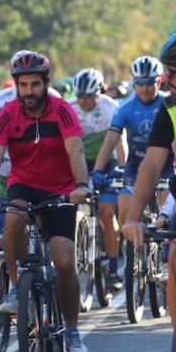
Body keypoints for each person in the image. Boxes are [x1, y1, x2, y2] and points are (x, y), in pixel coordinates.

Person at [0, 50, 90, 352]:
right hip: (24, 183)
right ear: (16, 85)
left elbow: (75, 149)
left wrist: (81, 186)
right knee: (13, 218)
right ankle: (16, 289)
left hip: (61, 189)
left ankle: (72, 331)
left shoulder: (63, 110)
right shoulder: (7, 114)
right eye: (23, 85)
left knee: (64, 263)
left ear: (45, 84)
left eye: (34, 84)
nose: (29, 91)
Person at [124, 31, 176, 333]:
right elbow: (152, 165)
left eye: (172, 73)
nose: (165, 80)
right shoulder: (170, 110)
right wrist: (133, 218)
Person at [93, 55, 173, 283]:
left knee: (167, 204)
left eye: (150, 82)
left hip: (166, 163)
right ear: (134, 83)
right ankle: (132, 253)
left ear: (160, 81)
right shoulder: (126, 107)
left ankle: (166, 246)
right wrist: (99, 170)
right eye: (140, 82)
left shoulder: (170, 104)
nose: (145, 88)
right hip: (136, 164)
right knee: (125, 208)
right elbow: (110, 141)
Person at [71, 68, 124, 291]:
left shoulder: (111, 108)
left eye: (89, 96)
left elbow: (121, 145)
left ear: (99, 93)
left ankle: (113, 268)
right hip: (80, 162)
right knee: (72, 210)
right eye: (80, 95)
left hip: (108, 162)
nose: (83, 101)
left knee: (107, 211)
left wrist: (121, 170)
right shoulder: (70, 109)